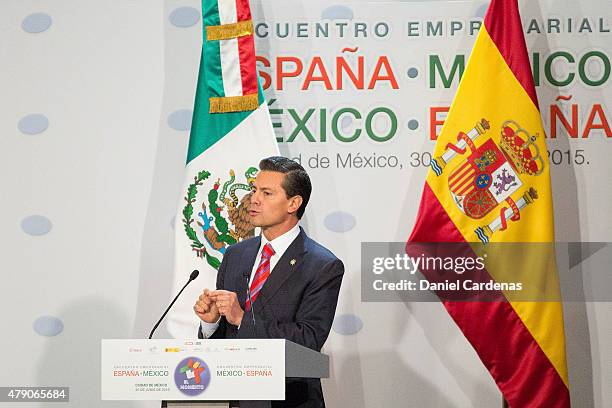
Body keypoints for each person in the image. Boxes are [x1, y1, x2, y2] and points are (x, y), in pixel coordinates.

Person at [193, 156, 344, 408]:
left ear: (293, 203)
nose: (254, 199)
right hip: (234, 398)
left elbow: (308, 341)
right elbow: (225, 343)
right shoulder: (235, 255)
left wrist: (242, 318)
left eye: (266, 193)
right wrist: (212, 324)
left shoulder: (322, 265)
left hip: (287, 400)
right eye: (254, 190)